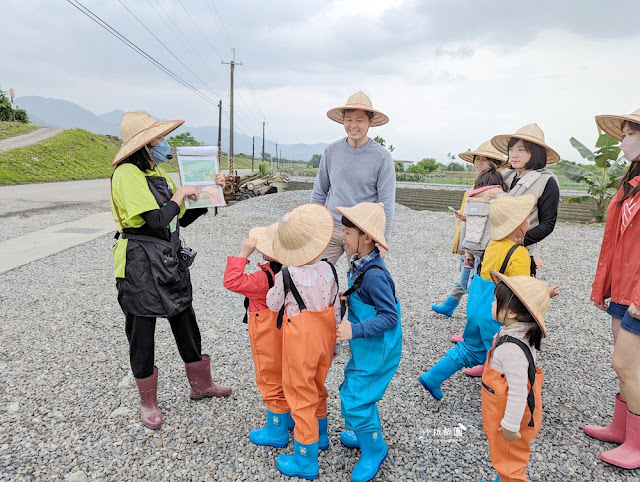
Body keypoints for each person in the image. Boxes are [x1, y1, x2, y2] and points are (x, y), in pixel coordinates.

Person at [110, 112, 231, 429]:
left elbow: (178, 218)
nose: (165, 144)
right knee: (142, 331)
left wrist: (206, 194)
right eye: (159, 139)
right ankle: (147, 402)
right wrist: (179, 195)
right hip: (138, 262)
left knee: (185, 319)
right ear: (144, 145)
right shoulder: (126, 174)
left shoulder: (159, 173)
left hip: (168, 258)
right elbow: (155, 220)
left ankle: (201, 385)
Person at [419, 194, 535, 400]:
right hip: (498, 310)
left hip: (477, 302)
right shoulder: (520, 254)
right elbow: (521, 288)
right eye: (527, 217)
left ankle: (433, 377)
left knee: (469, 347)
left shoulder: (493, 244)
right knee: (505, 351)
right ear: (517, 225)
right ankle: (507, 396)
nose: (529, 221)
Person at [266, 203, 340, 480]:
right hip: (325, 340)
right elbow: (336, 307)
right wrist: (336, 344)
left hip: (300, 346)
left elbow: (273, 305)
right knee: (318, 386)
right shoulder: (329, 269)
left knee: (300, 396)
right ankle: (321, 435)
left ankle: (305, 459)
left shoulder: (286, 275)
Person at [585, 108, 640, 469]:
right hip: (623, 284)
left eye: (628, 134)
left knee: (625, 362)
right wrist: (604, 286)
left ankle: (636, 444)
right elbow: (616, 240)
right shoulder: (630, 180)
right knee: (627, 365)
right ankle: (622, 428)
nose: (622, 141)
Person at [335, 202, 402, 482]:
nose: (343, 238)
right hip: (367, 346)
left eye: (348, 233)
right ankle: (363, 430)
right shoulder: (361, 263)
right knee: (355, 385)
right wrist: (349, 295)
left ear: (366, 238)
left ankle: (375, 448)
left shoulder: (374, 275)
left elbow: (390, 317)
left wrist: (355, 330)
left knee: (356, 397)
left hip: (378, 347)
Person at [480, 272, 558, 482]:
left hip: (509, 416)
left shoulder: (512, 350)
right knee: (504, 457)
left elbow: (518, 392)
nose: (492, 303)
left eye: (497, 301)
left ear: (513, 313)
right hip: (500, 410)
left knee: (510, 466)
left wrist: (511, 425)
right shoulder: (521, 330)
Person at [223, 225, 291, 447]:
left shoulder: (263, 278)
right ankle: (291, 417)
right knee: (288, 373)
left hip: (266, 333)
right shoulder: (294, 269)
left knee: (269, 376)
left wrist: (243, 254)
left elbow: (232, 281)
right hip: (291, 330)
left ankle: (277, 431)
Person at [310, 91, 395, 265]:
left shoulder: (382, 156)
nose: (353, 125)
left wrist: (381, 241)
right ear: (343, 120)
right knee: (314, 274)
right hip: (331, 227)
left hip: (363, 232)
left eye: (359, 120)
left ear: (370, 122)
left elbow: (385, 203)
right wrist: (313, 225)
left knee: (361, 283)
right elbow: (320, 191)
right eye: (349, 119)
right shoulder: (331, 151)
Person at [432, 141, 508, 322]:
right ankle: (452, 306)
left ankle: (467, 316)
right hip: (470, 237)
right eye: (477, 159)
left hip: (481, 241)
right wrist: (466, 217)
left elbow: (495, 213)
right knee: (465, 273)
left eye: (484, 160)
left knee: (472, 279)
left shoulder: (495, 185)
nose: (479, 163)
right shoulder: (478, 183)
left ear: (494, 164)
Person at [491, 123, 561, 276]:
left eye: (521, 150)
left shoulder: (546, 181)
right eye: (511, 150)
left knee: (515, 295)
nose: (513, 155)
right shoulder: (505, 176)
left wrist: (519, 239)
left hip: (521, 251)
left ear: (535, 153)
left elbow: (548, 224)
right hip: (493, 246)